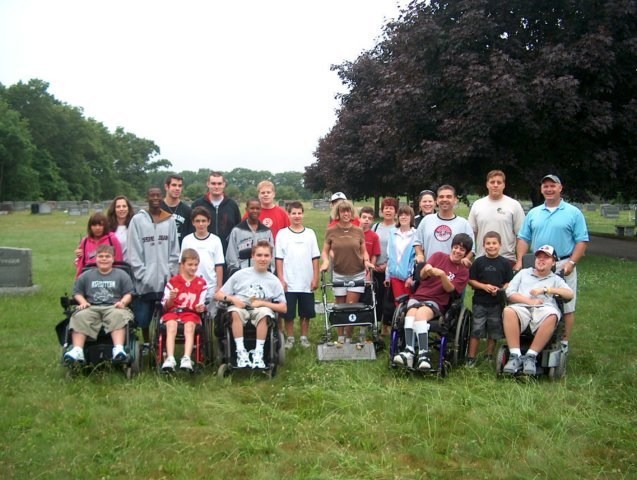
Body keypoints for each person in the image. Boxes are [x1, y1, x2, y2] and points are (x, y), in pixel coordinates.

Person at [515, 174, 589, 351]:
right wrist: (519, 260)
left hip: (563, 263)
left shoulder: (573, 212)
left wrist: (572, 263)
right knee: (534, 300)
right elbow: (524, 238)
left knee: (566, 306)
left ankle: (563, 343)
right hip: (538, 263)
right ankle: (533, 337)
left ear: (560, 188)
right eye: (545, 186)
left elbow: (581, 241)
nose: (549, 189)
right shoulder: (534, 213)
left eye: (552, 186)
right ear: (541, 189)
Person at [393, 233, 473, 371]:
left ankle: (424, 355)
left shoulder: (463, 271)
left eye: (462, 250)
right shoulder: (438, 256)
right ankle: (409, 351)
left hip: (437, 300)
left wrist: (442, 275)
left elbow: (450, 289)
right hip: (419, 295)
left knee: (420, 315)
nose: (457, 251)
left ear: (466, 253)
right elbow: (422, 276)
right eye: (456, 247)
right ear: (452, 247)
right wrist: (427, 270)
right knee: (410, 315)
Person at [214, 240, 287, 369]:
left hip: (261, 309)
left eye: (266, 255)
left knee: (264, 314)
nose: (262, 259)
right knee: (234, 312)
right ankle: (241, 352)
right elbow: (218, 295)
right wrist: (232, 299)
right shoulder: (240, 275)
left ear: (271, 257)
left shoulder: (274, 280)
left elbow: (283, 307)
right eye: (259, 255)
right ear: (253, 256)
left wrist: (263, 303)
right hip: (240, 306)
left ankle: (258, 353)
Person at [502, 245, 574, 375]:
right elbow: (509, 293)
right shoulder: (523, 273)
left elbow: (569, 294)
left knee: (552, 315)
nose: (541, 260)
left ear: (553, 262)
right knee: (508, 311)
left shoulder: (556, 279)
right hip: (522, 306)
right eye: (539, 257)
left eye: (546, 257)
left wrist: (547, 290)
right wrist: (529, 301)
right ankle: (515, 356)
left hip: (544, 310)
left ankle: (531, 356)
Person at [64, 245, 134, 364]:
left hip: (114, 306)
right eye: (100, 256)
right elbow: (77, 292)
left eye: (107, 256)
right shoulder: (86, 275)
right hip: (91, 306)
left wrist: (123, 302)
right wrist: (83, 302)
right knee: (79, 316)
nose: (104, 259)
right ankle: (77, 350)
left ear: (113, 258)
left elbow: (129, 293)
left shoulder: (121, 275)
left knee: (118, 316)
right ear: (95, 258)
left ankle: (118, 349)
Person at [128, 186, 180, 342]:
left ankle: (162, 344)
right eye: (152, 195)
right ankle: (146, 343)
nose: (155, 198)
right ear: (147, 198)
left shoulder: (169, 220)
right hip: (145, 281)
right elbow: (134, 250)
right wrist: (142, 274)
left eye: (158, 195)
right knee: (143, 318)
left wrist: (171, 273)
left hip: (165, 279)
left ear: (162, 197)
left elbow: (174, 249)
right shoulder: (137, 220)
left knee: (166, 317)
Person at [320, 200, 374, 344]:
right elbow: (325, 251)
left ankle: (349, 337)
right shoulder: (331, 231)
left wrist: (367, 261)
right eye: (343, 211)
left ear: (351, 213)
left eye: (348, 211)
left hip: (356, 273)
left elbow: (364, 251)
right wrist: (325, 262)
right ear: (338, 213)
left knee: (351, 306)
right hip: (339, 273)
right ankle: (340, 337)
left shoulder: (358, 230)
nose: (346, 213)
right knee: (340, 307)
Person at [275, 201, 320, 349]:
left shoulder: (310, 233)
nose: (296, 216)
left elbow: (315, 257)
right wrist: (281, 279)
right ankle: (290, 338)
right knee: (288, 313)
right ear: (288, 214)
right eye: (293, 213)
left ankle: (304, 337)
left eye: (299, 213)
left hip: (306, 280)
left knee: (306, 312)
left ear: (303, 214)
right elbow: (279, 258)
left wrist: (315, 277)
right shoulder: (282, 234)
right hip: (289, 280)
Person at [466, 231, 514, 366]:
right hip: (480, 302)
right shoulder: (478, 262)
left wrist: (501, 289)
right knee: (476, 329)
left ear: (500, 245)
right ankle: (471, 357)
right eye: (488, 243)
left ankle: (489, 355)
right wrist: (484, 286)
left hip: (497, 303)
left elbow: (509, 282)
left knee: (494, 330)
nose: (491, 246)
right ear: (483, 245)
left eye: (494, 243)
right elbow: (471, 280)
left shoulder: (505, 263)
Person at [160, 248, 207, 372]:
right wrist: (171, 298)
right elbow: (165, 306)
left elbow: (201, 304)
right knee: (171, 325)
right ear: (182, 264)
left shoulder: (201, 283)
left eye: (196, 265)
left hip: (191, 313)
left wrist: (200, 308)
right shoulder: (173, 282)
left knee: (190, 326)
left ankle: (186, 358)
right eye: (190, 265)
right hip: (173, 312)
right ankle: (170, 358)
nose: (193, 268)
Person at [468, 170, 525, 264]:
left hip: (507, 259)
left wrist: (519, 261)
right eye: (492, 182)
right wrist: (468, 257)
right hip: (482, 259)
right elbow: (471, 234)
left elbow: (521, 235)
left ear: (504, 185)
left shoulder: (514, 205)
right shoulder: (477, 205)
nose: (495, 185)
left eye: (499, 182)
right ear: (487, 184)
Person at [414, 184, 475, 267]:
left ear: (455, 200)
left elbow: (472, 248)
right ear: (437, 200)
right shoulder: (426, 220)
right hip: (429, 270)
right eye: (441, 197)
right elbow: (417, 242)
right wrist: (420, 255)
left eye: (449, 197)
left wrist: (466, 259)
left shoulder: (463, 224)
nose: (444, 199)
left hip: (453, 272)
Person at [180, 207, 225, 303]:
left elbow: (219, 265)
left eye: (203, 221)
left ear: (209, 222)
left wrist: (219, 286)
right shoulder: (187, 240)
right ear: (193, 222)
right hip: (191, 285)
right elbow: (182, 264)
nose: (201, 224)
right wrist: (182, 283)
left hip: (210, 286)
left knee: (210, 312)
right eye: (197, 221)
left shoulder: (215, 240)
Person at [191, 171, 241, 253]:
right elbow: (191, 229)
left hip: (228, 252)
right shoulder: (197, 204)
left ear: (224, 184)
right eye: (213, 183)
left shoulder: (232, 205)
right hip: (203, 251)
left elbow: (238, 229)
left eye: (219, 184)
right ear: (208, 184)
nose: (216, 187)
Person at [372, 197, 399, 333]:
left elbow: (399, 250)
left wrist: (386, 265)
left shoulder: (398, 228)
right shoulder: (376, 227)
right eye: (386, 208)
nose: (388, 211)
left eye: (391, 208)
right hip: (374, 268)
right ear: (382, 211)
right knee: (376, 297)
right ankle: (375, 323)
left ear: (395, 211)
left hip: (390, 269)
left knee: (388, 299)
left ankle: (386, 325)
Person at [226, 198, 274, 273]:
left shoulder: (266, 231)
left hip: (262, 273)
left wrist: (269, 270)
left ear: (260, 210)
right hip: (243, 273)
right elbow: (231, 255)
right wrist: (236, 271)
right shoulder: (237, 230)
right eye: (252, 208)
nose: (255, 211)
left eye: (257, 208)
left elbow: (272, 254)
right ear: (246, 209)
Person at [74, 212, 123, 278]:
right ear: (90, 227)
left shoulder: (112, 239)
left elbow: (119, 261)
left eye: (100, 225)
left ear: (105, 226)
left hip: (109, 275)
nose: (97, 228)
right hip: (89, 276)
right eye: (94, 225)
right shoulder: (85, 241)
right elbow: (81, 264)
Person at [384, 204, 417, 304]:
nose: (403, 217)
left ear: (411, 217)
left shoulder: (416, 234)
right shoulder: (392, 233)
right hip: (395, 277)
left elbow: (416, 258)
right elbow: (389, 255)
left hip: (408, 279)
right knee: (398, 305)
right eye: (401, 215)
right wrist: (387, 276)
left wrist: (411, 277)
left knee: (410, 305)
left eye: (406, 215)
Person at [161, 173, 193, 247]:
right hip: (162, 250)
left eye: (180, 186)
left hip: (181, 250)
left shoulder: (188, 211)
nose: (177, 188)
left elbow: (191, 236)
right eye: (174, 185)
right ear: (166, 187)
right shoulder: (158, 209)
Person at [106, 196, 134, 263]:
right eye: (118, 207)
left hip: (132, 266)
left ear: (128, 208)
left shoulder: (135, 226)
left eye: (124, 206)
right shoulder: (107, 228)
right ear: (114, 209)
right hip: (113, 265)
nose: (121, 209)